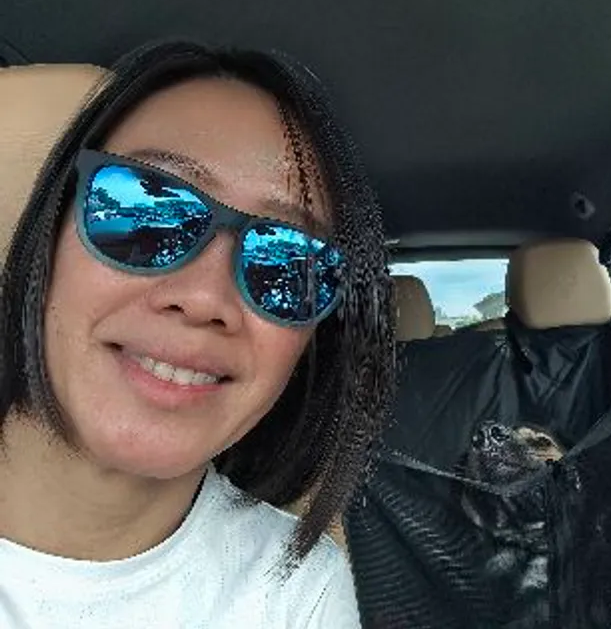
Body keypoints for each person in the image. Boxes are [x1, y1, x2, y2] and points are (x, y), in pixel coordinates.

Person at [0, 40, 396, 627]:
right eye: (143, 212)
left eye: (287, 263)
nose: (205, 299)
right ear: (46, 232)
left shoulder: (298, 593)